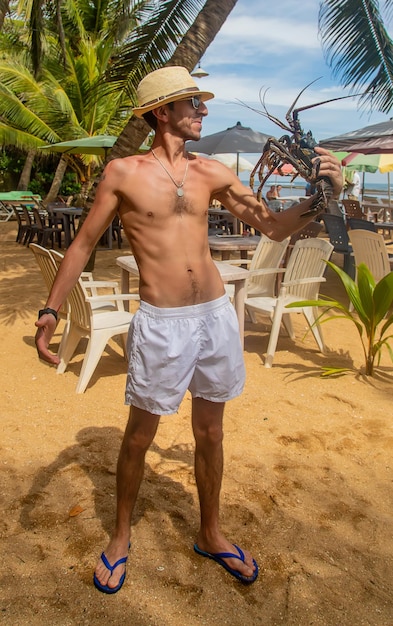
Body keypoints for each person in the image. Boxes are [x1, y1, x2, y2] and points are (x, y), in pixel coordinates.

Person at [34, 66, 343, 593]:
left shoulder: (212, 172)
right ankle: (120, 535)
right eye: (193, 104)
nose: (203, 111)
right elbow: (83, 244)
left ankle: (211, 532)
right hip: (163, 322)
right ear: (162, 112)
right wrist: (51, 311)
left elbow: (270, 223)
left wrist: (321, 197)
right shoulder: (123, 173)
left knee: (212, 432)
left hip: (216, 317)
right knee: (139, 436)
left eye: (201, 103)